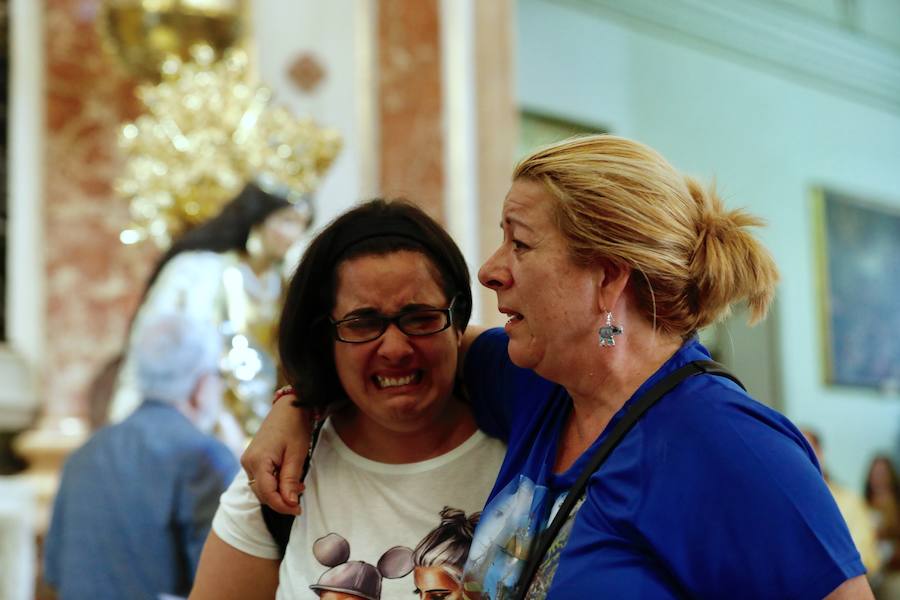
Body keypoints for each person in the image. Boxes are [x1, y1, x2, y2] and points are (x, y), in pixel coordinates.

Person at [244, 134, 872, 599]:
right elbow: (410, 350)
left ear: (605, 279)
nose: (490, 269)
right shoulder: (536, 387)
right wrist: (298, 405)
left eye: (520, 242)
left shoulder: (729, 446)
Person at [189, 200, 506, 599]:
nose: (394, 348)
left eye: (420, 317)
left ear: (457, 321)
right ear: (327, 338)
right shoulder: (282, 477)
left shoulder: (530, 446)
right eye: (363, 323)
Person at [43, 312, 240, 600]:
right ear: (201, 386)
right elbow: (227, 587)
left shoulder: (82, 456)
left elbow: (54, 573)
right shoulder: (205, 456)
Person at [108, 181, 311, 437]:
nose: (295, 234)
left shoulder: (286, 284)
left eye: (302, 224)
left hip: (266, 418)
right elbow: (152, 344)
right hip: (201, 414)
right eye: (287, 220)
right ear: (257, 220)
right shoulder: (197, 272)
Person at [802, 428, 881, 576]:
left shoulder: (849, 501)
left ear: (820, 454)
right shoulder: (781, 504)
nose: (799, 458)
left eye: (806, 449)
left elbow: (867, 558)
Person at [865, 454, 900, 598]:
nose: (878, 477)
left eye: (882, 473)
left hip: (892, 570)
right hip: (869, 570)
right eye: (876, 473)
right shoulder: (862, 503)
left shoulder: (896, 505)